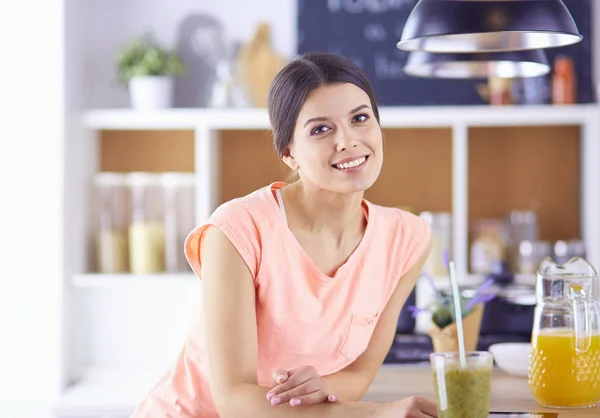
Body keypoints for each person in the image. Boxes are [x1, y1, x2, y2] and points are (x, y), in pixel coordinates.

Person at [131, 52, 437, 418]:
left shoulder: (407, 239)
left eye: (360, 118)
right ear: (289, 153)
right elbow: (234, 400)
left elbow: (357, 373)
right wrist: (373, 414)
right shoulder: (238, 229)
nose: (348, 141)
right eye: (320, 129)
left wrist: (322, 390)